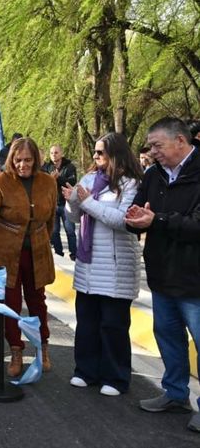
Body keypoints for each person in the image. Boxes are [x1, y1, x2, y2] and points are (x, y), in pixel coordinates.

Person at [125, 117, 200, 433]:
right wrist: (133, 218)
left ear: (180, 141)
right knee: (168, 339)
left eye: (157, 145)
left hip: (194, 278)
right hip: (162, 274)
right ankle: (174, 393)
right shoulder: (154, 175)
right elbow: (138, 209)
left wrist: (156, 221)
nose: (151, 152)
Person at [63, 133, 142, 396]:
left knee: (113, 324)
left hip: (116, 266)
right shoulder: (88, 179)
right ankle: (85, 370)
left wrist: (87, 202)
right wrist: (72, 201)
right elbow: (75, 217)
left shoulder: (131, 184)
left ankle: (116, 377)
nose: (96, 157)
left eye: (101, 153)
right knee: (87, 321)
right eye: (95, 153)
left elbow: (122, 220)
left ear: (116, 154)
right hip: (89, 264)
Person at [0, 137, 57, 377]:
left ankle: (43, 348)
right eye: (18, 160)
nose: (23, 165)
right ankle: (16, 351)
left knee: (37, 302)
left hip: (37, 252)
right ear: (11, 159)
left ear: (36, 160)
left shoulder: (48, 182)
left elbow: (51, 219)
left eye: (28, 160)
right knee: (10, 303)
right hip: (7, 254)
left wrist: (41, 239)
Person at [42, 144, 78, 261]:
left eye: (56, 152)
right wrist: (51, 179)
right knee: (54, 231)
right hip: (52, 205)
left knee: (70, 230)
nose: (54, 155)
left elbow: (71, 182)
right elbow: (43, 184)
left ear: (61, 154)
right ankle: (58, 254)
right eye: (52, 153)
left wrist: (59, 178)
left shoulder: (69, 167)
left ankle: (74, 254)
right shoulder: (47, 168)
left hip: (66, 204)